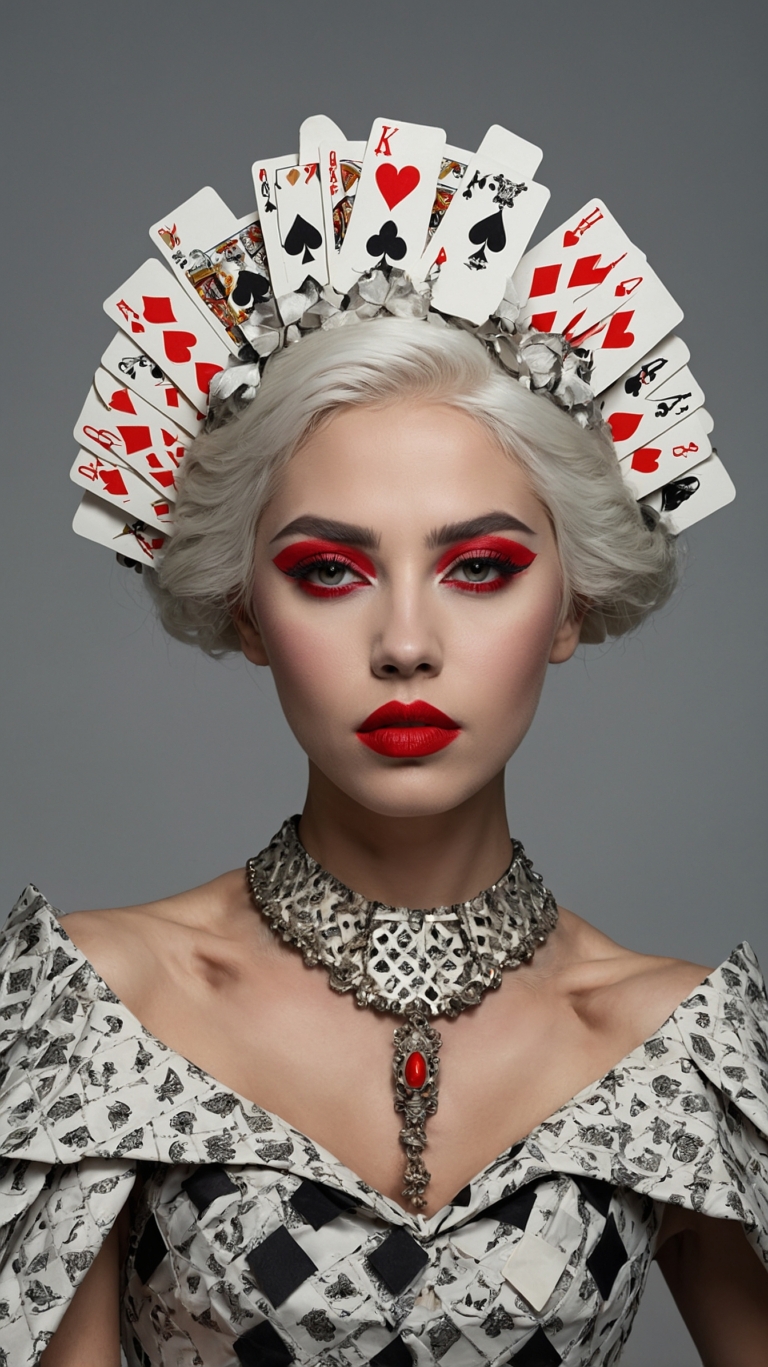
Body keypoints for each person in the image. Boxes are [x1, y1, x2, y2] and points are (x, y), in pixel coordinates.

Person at [1, 119, 766, 1367]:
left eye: (480, 567)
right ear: (247, 608)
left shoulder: (678, 1045)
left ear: (570, 604)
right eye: (328, 568)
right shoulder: (100, 1009)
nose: (405, 641)